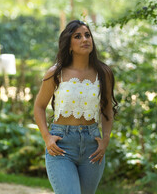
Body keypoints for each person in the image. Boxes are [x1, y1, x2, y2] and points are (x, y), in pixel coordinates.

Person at [34, 20, 118, 194]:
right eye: (77, 36)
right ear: (69, 44)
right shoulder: (55, 73)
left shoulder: (103, 73)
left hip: (92, 147)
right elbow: (39, 107)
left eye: (87, 35)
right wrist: (47, 137)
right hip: (61, 145)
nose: (84, 39)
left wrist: (106, 139)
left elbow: (107, 109)